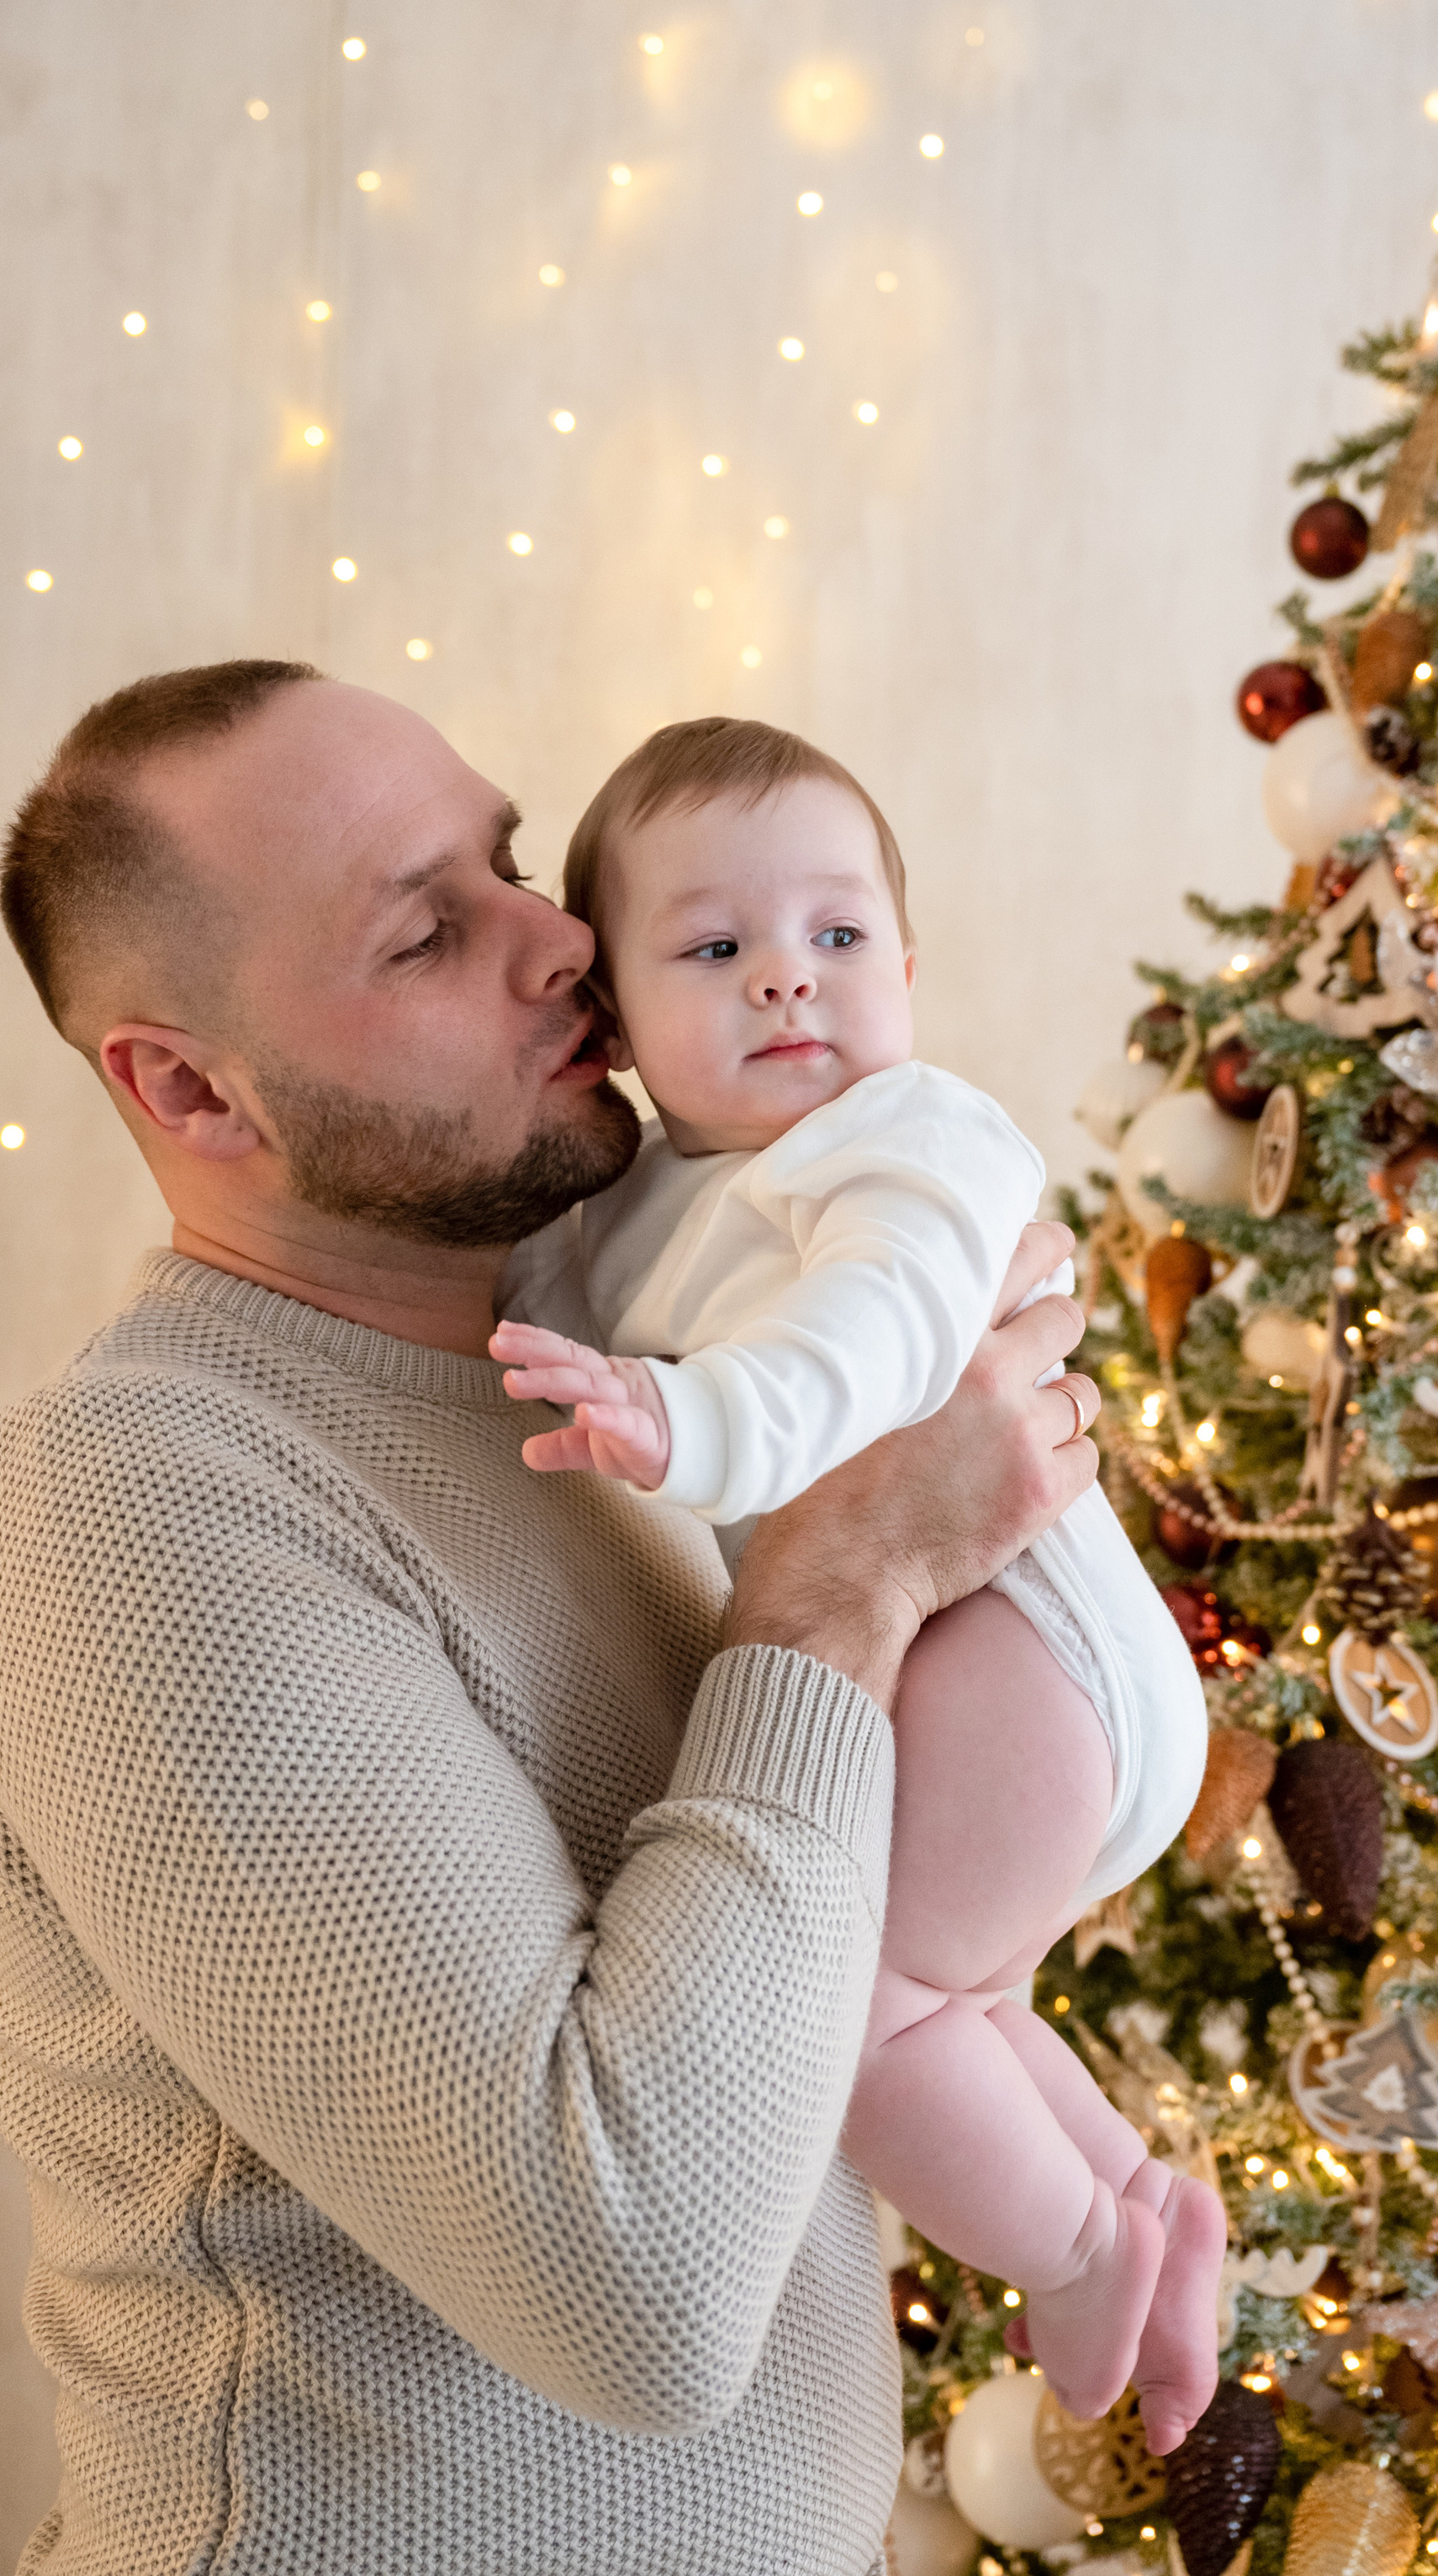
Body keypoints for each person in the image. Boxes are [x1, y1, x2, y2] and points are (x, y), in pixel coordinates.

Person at [0, 658, 1106, 2576]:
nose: (564, 934)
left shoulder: (607, 1373)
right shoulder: (130, 1508)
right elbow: (625, 2282)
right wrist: (843, 1578)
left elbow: (763, 1966)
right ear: (191, 1088)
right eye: (426, 927)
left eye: (502, 855)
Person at [490, 718, 1221, 2434]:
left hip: (1023, 1659)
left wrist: (684, 1423)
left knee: (855, 2014)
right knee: (954, 1994)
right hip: (984, 1677)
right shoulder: (649, 1205)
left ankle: (1065, 2248)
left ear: (904, 964)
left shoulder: (905, 1141)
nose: (779, 983)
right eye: (711, 947)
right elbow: (543, 1296)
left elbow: (873, 1340)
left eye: (832, 937)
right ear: (611, 1020)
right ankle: (1137, 2200)